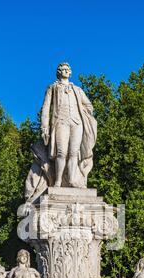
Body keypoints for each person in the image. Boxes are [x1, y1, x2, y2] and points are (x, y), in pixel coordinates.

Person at [23, 63, 97, 203]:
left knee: (74, 153)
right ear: (58, 72)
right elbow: (45, 107)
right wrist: (44, 125)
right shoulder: (53, 87)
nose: (66, 71)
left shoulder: (77, 89)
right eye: (64, 69)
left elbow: (88, 105)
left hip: (76, 123)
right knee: (61, 152)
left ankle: (72, 180)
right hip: (60, 122)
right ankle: (57, 181)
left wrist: (85, 114)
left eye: (68, 69)